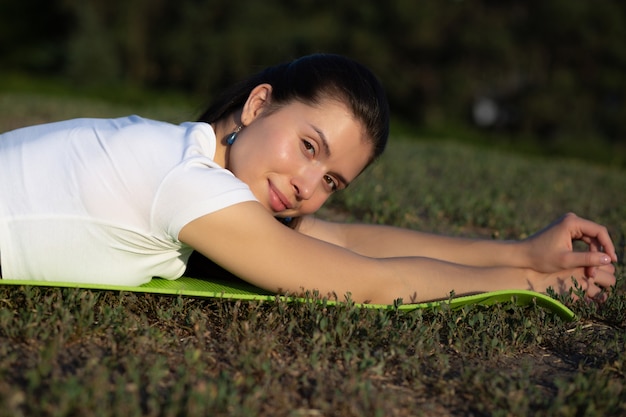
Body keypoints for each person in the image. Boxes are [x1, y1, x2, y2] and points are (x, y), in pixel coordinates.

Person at [0, 54, 617, 304]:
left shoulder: (186, 153)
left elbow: (341, 243)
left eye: (332, 179)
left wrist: (521, 252)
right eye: (307, 146)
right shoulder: (186, 182)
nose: (307, 186)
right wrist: (534, 281)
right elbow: (370, 282)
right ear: (258, 104)